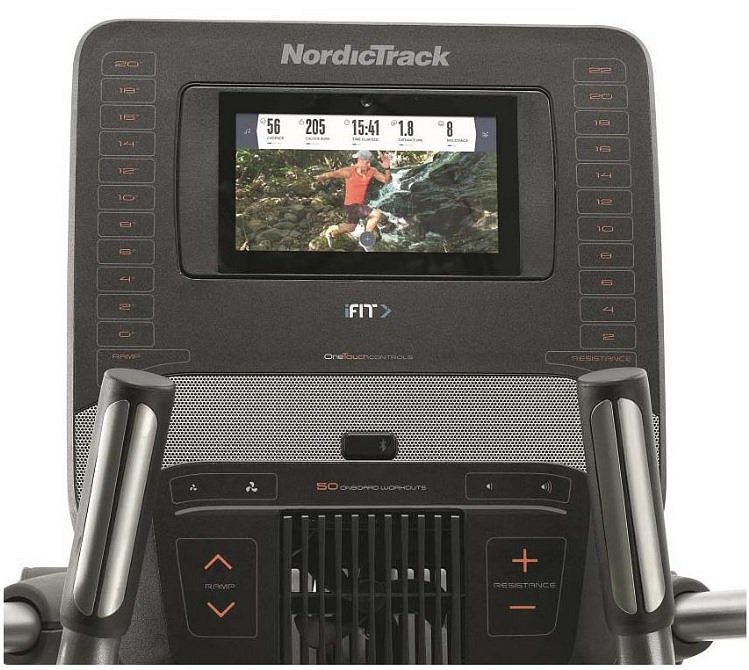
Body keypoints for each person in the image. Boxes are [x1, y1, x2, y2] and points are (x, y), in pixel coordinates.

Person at [315, 150, 391, 250]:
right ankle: (366, 241)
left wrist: (387, 168)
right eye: (366, 162)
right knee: (376, 214)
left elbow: (386, 180)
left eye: (369, 162)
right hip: (351, 205)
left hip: (358, 205)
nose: (368, 165)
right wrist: (320, 177)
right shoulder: (349, 171)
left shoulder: (372, 171)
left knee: (351, 228)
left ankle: (332, 234)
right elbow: (333, 174)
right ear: (359, 160)